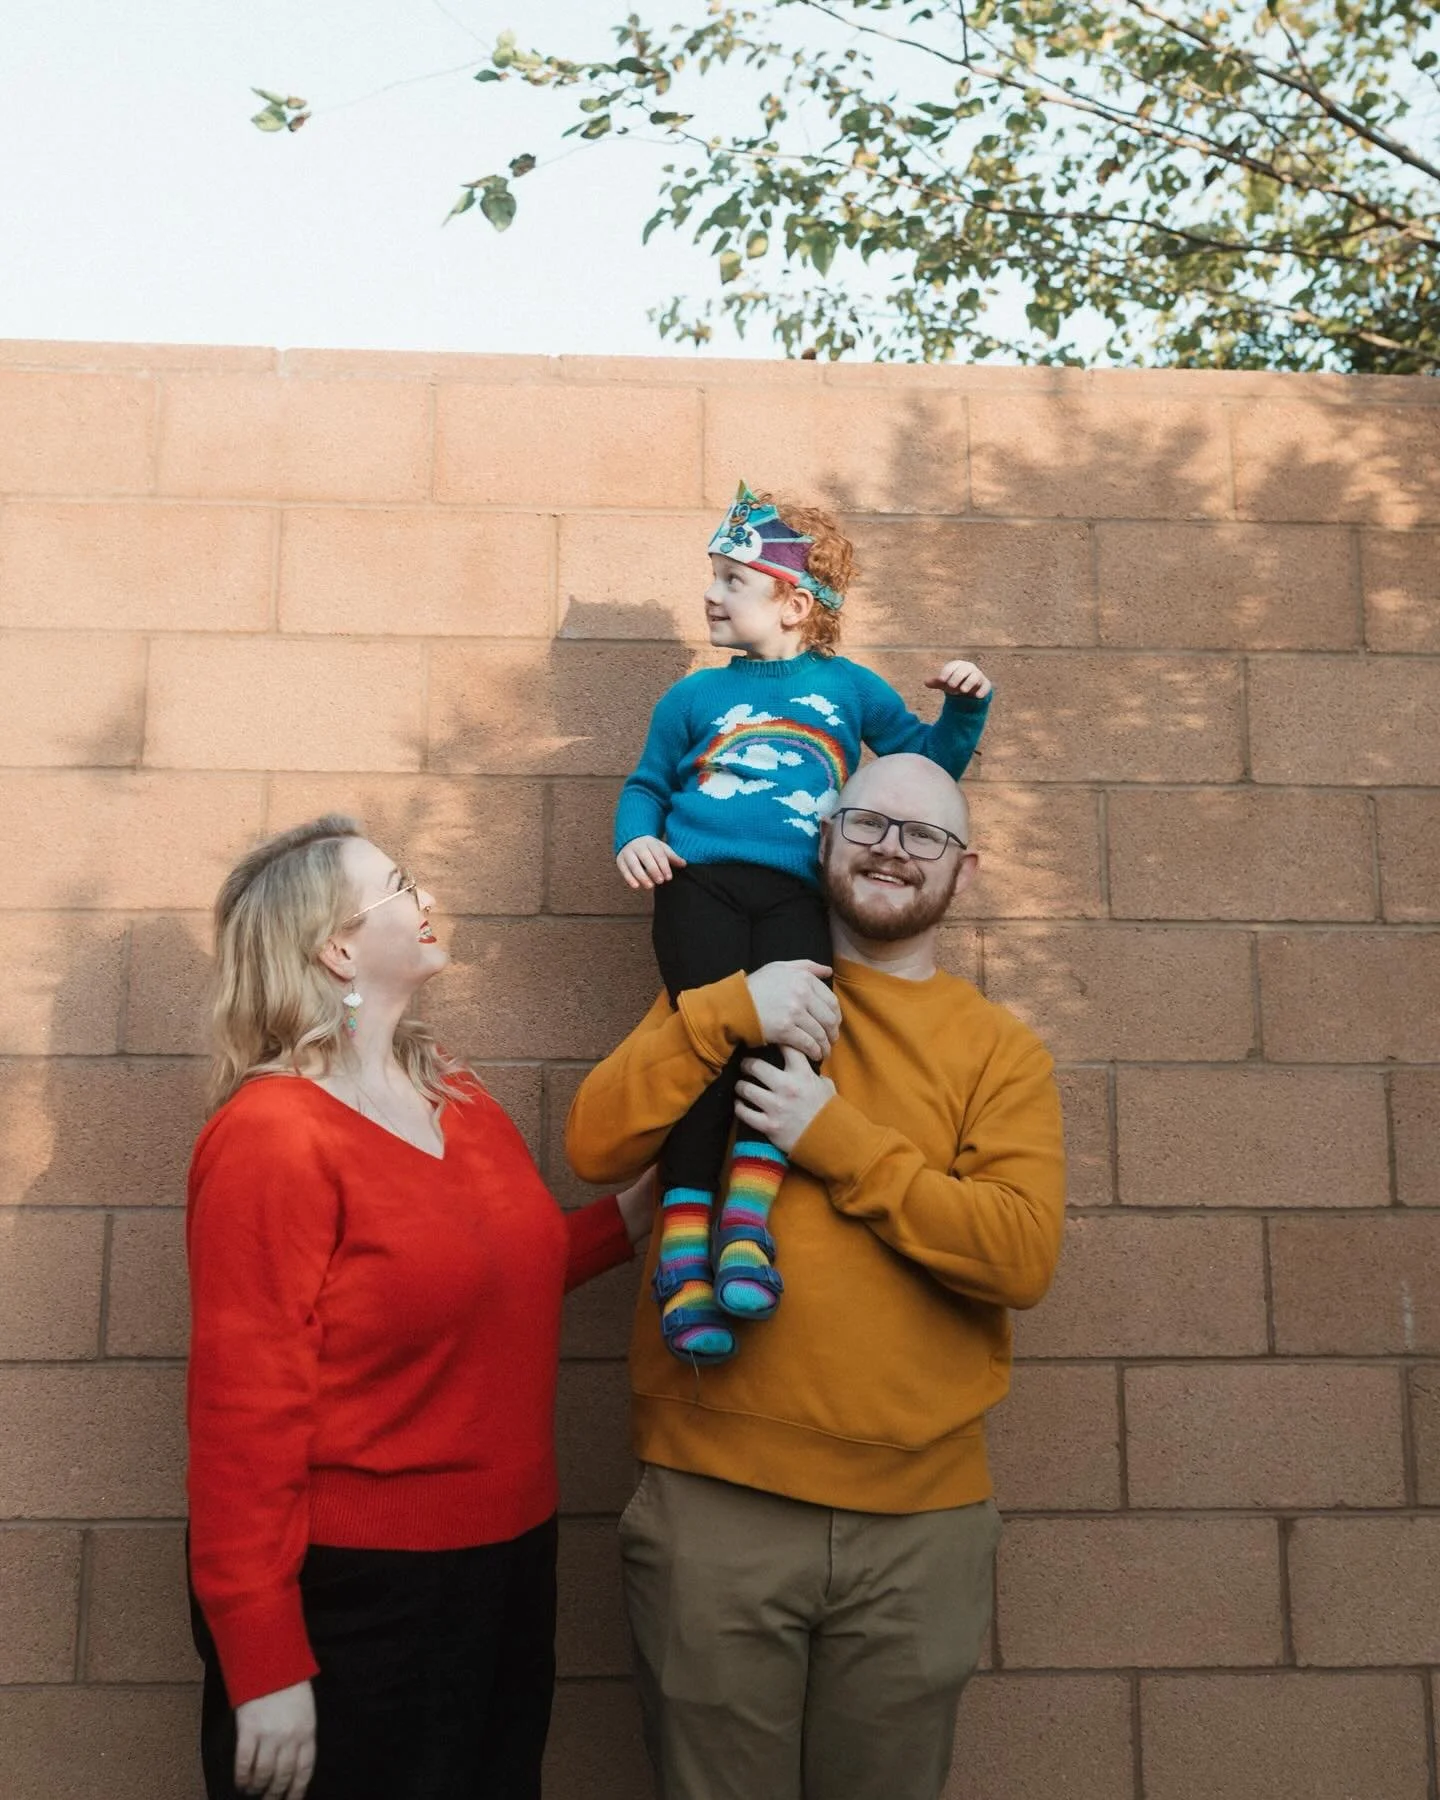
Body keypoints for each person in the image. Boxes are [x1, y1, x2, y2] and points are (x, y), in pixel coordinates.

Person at [569, 752, 1067, 1800]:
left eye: (924, 834)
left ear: (964, 869)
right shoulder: (725, 998)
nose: (892, 849)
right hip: (716, 1507)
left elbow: (1019, 1253)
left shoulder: (997, 1050)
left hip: (919, 1527)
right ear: (824, 838)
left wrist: (832, 1139)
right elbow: (595, 1145)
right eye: (868, 823)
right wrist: (725, 1012)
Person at [185, 815, 651, 1800]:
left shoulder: (458, 1097)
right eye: (399, 885)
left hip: (507, 1568)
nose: (427, 896)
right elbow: (241, 1414)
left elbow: (496, 1273)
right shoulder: (272, 1135)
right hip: (358, 1596)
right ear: (337, 947)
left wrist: (637, 1214)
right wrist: (262, 1660)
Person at [615, 482, 993, 1364]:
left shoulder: (849, 688)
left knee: (793, 1047)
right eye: (712, 576)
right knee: (705, 1056)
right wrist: (636, 837)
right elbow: (647, 783)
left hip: (798, 897)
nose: (710, 594)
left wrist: (965, 709)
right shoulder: (692, 699)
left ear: (793, 603)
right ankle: (681, 1255)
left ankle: (745, 1225)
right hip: (697, 890)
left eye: (731, 579)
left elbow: (925, 765)